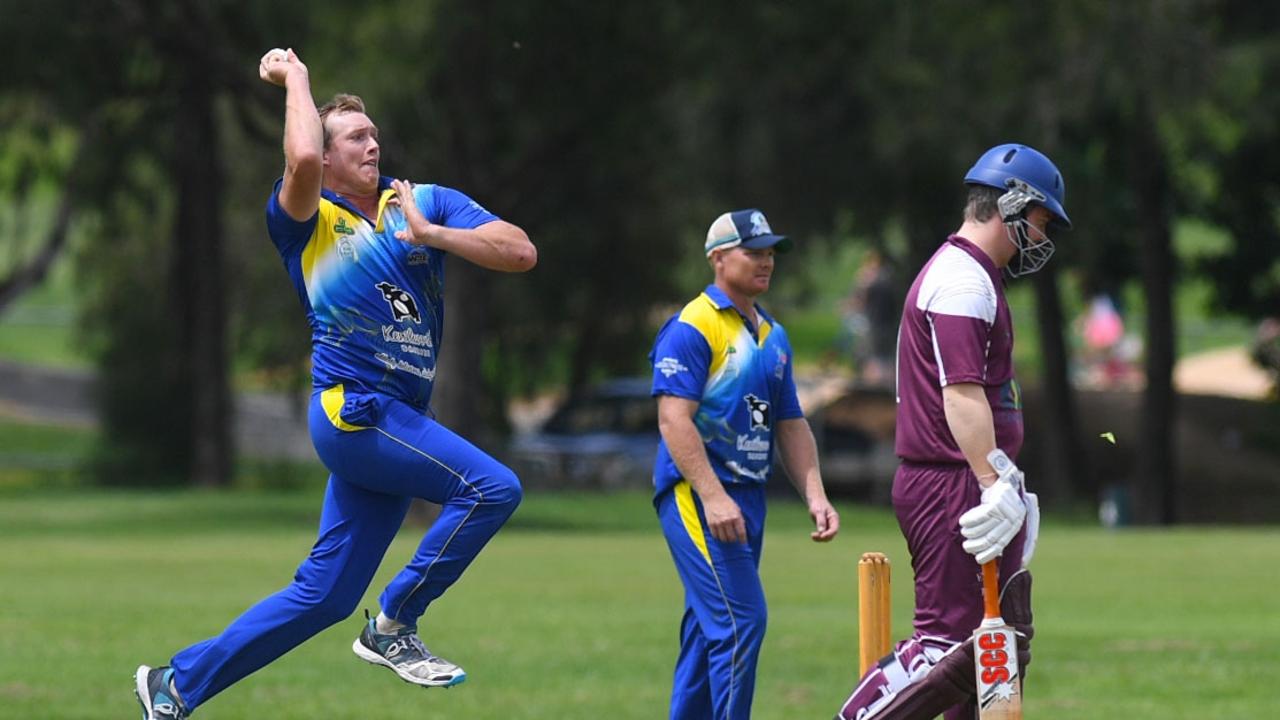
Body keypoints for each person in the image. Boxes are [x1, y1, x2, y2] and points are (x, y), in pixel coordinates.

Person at [133, 47, 537, 720]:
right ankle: (395, 624)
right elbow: (295, 162)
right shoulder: (308, 221)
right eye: (355, 137)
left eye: (375, 133)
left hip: (394, 420)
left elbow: (519, 252)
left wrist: (433, 233)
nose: (373, 143)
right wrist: (295, 78)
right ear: (326, 157)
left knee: (324, 596)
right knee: (493, 487)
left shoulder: (421, 202)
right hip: (355, 413)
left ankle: (176, 685)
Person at [833, 143, 1069, 720]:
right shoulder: (964, 280)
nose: (1041, 238)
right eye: (1040, 222)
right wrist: (992, 481)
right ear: (1012, 204)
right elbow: (961, 395)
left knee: (996, 643)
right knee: (949, 649)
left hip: (963, 480)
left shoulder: (974, 275)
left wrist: (1003, 480)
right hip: (951, 483)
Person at [649, 209, 841, 719]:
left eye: (770, 252)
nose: (766, 262)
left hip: (749, 498)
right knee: (740, 623)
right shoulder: (694, 325)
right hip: (699, 495)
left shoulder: (773, 335)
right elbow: (674, 420)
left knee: (705, 629)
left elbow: (791, 423)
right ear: (717, 259)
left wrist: (815, 494)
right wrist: (713, 496)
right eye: (753, 252)